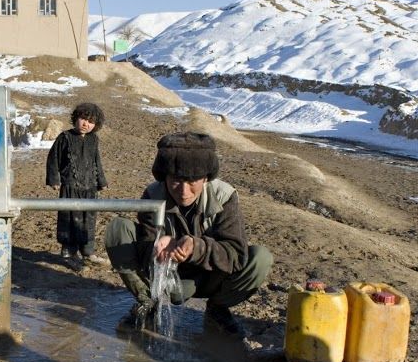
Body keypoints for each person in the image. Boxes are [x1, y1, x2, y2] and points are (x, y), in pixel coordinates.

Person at [105, 132, 272, 335]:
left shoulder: (224, 196)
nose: (184, 191)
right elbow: (145, 245)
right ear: (164, 176)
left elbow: (236, 254)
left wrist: (196, 247)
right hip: (169, 275)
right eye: (175, 180)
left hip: (210, 276)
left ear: (206, 178)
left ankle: (218, 308)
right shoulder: (153, 194)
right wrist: (156, 246)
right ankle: (147, 302)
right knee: (118, 228)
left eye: (193, 181)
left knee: (260, 258)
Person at [46, 103, 109, 268]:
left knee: (89, 219)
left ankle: (88, 252)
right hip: (70, 187)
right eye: (83, 118)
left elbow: (97, 161)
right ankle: (68, 253)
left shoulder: (93, 139)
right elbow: (53, 158)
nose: (86, 124)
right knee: (69, 219)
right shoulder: (64, 137)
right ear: (76, 118)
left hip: (90, 187)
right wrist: (54, 179)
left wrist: (101, 181)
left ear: (96, 125)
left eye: (90, 121)